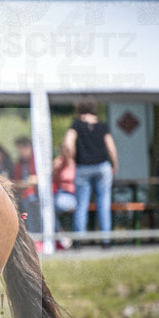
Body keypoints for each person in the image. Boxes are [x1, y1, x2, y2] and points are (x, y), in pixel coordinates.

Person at [62, 98, 118, 246]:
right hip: (102, 167)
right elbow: (111, 148)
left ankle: (79, 241)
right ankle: (106, 240)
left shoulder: (76, 125)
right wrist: (115, 164)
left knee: (81, 204)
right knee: (104, 203)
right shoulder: (102, 126)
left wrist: (71, 158)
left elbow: (68, 143)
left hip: (83, 167)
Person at [11, 136, 41, 233]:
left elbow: (36, 180)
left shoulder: (37, 161)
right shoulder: (19, 164)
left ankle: (33, 232)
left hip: (35, 194)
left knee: (29, 200)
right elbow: (16, 180)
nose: (20, 152)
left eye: (21, 149)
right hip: (22, 193)